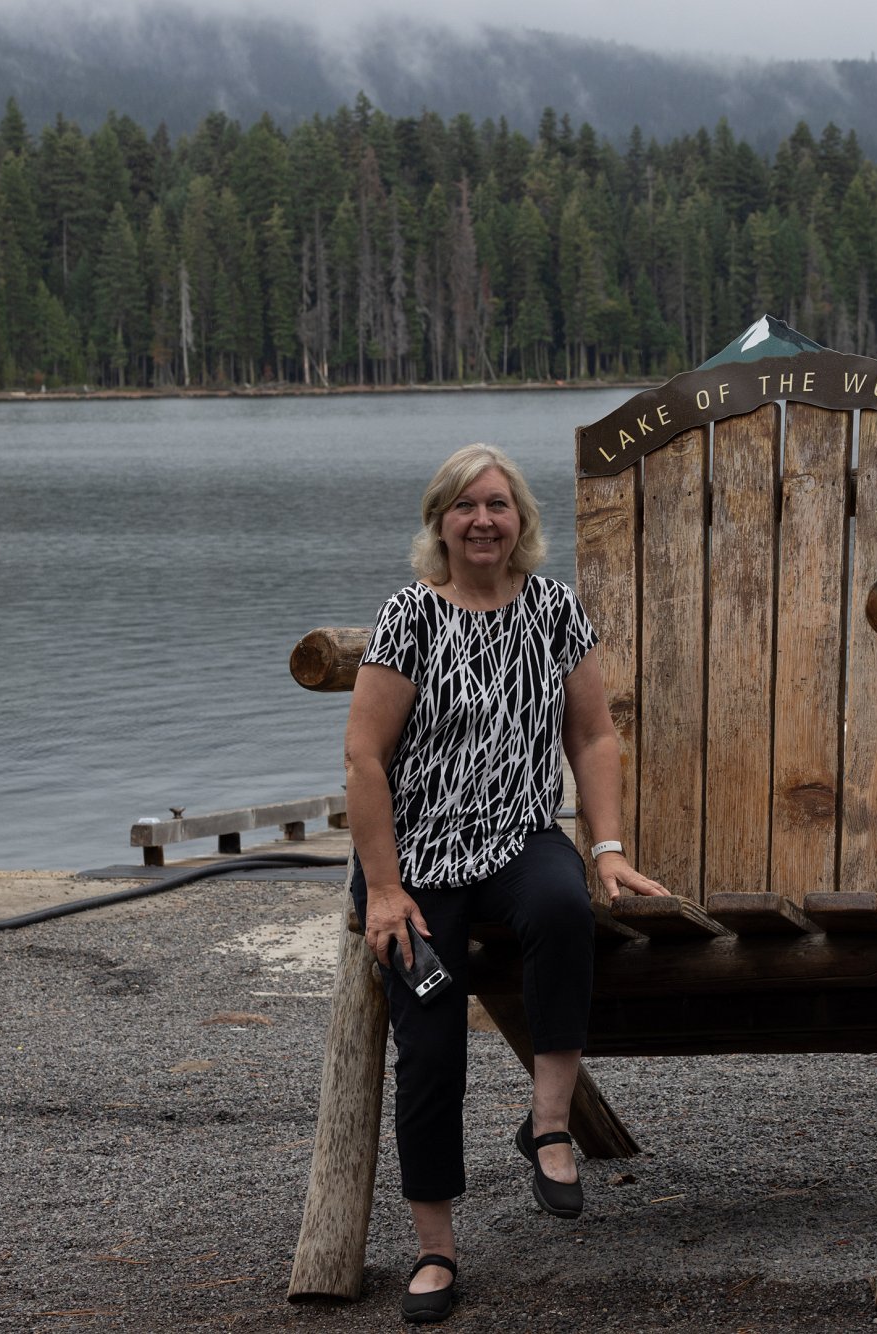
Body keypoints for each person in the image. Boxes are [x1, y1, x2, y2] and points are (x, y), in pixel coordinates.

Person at [344, 443, 667, 1323]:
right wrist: (382, 890)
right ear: (440, 523)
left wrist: (606, 848)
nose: (482, 520)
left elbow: (592, 737)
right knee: (431, 1044)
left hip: (520, 838)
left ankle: (548, 1124)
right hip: (415, 860)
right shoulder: (410, 615)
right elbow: (364, 759)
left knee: (564, 909)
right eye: (464, 505)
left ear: (520, 519)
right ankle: (435, 1249)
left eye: (497, 504)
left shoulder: (555, 610)